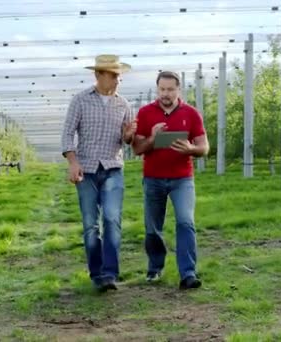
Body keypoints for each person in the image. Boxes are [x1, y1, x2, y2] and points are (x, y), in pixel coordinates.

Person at [61, 54, 136, 292]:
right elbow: (67, 134)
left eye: (119, 76)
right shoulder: (80, 101)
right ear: (98, 75)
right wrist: (72, 162)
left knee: (112, 219)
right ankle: (97, 274)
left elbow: (126, 141)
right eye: (113, 75)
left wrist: (128, 135)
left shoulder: (124, 105)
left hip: (113, 168)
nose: (117, 80)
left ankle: (110, 273)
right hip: (87, 170)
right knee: (90, 225)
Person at [132, 71, 209, 290]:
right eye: (162, 89)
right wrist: (153, 138)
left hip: (182, 179)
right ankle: (155, 267)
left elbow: (204, 147)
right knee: (152, 228)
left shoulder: (191, 114)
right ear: (157, 89)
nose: (165, 94)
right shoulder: (145, 113)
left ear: (179, 89)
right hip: (153, 178)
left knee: (186, 221)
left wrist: (191, 148)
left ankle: (188, 273)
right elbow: (137, 148)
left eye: (170, 89)